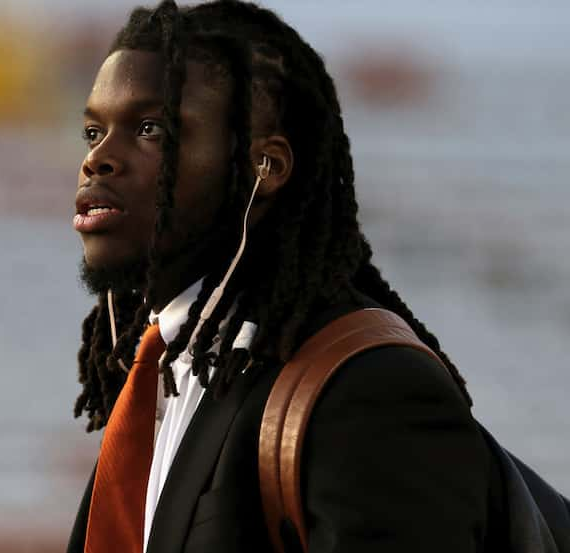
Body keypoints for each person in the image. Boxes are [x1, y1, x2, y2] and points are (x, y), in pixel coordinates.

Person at [67, 2, 505, 552]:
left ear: (265, 166)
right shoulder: (162, 371)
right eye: (92, 132)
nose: (98, 159)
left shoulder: (369, 389)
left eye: (151, 129)